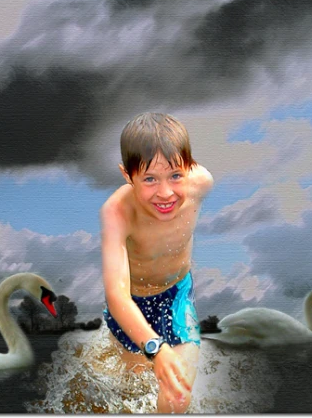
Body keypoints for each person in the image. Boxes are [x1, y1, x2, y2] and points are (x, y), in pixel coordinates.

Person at [100, 112, 214, 413]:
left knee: (176, 394)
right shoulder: (117, 213)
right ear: (127, 176)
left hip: (176, 296)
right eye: (149, 179)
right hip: (132, 305)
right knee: (134, 394)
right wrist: (154, 347)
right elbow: (116, 295)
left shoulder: (201, 183)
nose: (165, 193)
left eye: (175, 175)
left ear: (189, 167)